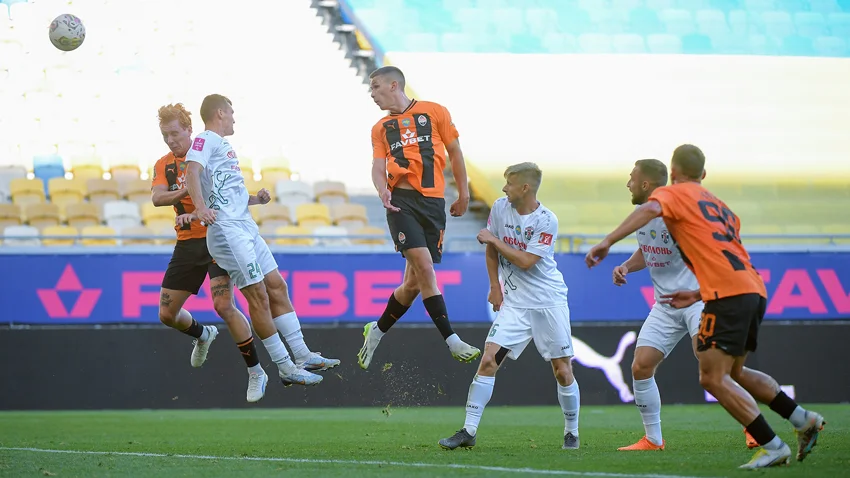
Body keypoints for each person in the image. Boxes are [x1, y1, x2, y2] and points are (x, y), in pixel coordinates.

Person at [585, 145, 825, 469]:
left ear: (672, 175)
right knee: (727, 372)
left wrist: (607, 242)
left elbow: (654, 209)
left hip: (717, 296)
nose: (629, 184)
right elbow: (723, 251)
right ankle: (801, 419)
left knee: (713, 375)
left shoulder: (672, 197)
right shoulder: (720, 208)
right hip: (740, 288)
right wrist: (691, 290)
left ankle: (769, 442)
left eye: (632, 178)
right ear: (704, 174)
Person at [184, 94, 338, 390]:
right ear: (220, 112)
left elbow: (226, 193)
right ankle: (285, 367)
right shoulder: (205, 139)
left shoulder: (222, 146)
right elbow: (192, 171)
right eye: (231, 112)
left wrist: (255, 199)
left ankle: (303, 355)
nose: (233, 117)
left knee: (277, 285)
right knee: (258, 297)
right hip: (228, 231)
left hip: (245, 226)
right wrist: (200, 208)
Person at [438, 162, 581, 451]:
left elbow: (526, 261)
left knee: (562, 370)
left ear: (525, 188)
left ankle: (572, 432)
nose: (504, 188)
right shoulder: (500, 208)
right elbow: (492, 249)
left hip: (548, 303)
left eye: (509, 183)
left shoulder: (546, 220)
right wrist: (494, 285)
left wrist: (492, 238)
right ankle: (469, 430)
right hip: (515, 305)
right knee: (489, 361)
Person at [357, 66, 480, 369]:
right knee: (425, 268)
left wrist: (464, 193)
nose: (372, 94)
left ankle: (377, 330)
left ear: (393, 85)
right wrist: (382, 190)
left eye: (375, 87)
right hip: (401, 203)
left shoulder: (435, 111)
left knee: (413, 284)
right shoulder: (380, 128)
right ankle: (451, 339)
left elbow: (455, 152)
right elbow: (377, 166)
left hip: (434, 204)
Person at [152, 103, 266, 403]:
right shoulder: (164, 164)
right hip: (187, 243)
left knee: (223, 305)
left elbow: (230, 195)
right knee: (166, 314)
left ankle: (256, 371)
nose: (170, 140)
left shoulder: (207, 153)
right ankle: (203, 335)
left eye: (175, 133)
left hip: (217, 237)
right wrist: (188, 190)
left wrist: (255, 199)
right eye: (165, 135)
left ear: (189, 130)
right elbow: (157, 198)